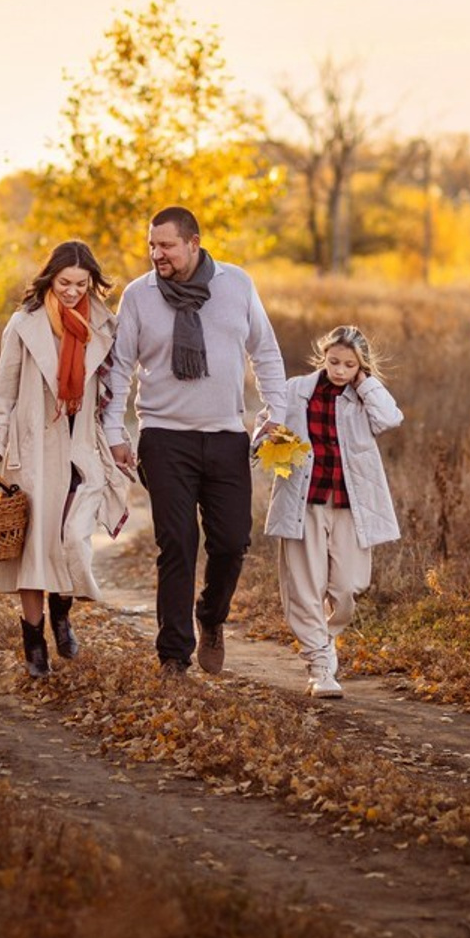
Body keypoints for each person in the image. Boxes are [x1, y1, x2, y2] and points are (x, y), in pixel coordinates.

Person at [106, 205, 287, 676]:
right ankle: (173, 656)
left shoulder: (236, 284)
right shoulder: (139, 295)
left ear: (193, 242)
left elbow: (264, 350)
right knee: (178, 543)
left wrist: (276, 413)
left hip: (226, 434)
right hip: (164, 437)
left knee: (231, 543)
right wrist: (113, 431)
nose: (156, 254)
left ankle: (211, 615)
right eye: (151, 245)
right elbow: (120, 366)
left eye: (165, 245)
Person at [0, 240, 130, 678]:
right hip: (35, 450)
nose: (73, 291)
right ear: (49, 279)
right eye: (65, 283)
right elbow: (1, 394)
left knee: (74, 539)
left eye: (82, 283)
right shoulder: (24, 325)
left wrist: (119, 439)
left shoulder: (105, 325)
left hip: (82, 449)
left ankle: (62, 611)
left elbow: (116, 390)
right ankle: (34, 638)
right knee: (34, 553)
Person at [263, 325, 403, 698]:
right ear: (323, 357)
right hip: (303, 501)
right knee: (305, 588)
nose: (339, 370)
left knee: (347, 587)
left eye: (349, 365)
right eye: (334, 361)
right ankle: (320, 665)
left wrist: (365, 383)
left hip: (349, 503)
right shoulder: (296, 391)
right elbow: (266, 425)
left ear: (360, 366)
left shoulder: (362, 398)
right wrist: (270, 441)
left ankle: (326, 638)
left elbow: (390, 419)